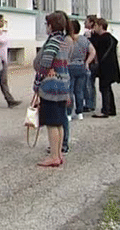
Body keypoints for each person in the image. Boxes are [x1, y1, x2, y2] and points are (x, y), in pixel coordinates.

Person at [33, 11, 72, 167]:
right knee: (59, 122)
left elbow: (45, 63)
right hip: (63, 85)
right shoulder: (64, 40)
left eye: (46, 24)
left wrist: (37, 83)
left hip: (51, 86)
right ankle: (59, 154)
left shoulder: (54, 41)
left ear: (51, 25)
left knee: (51, 123)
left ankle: (54, 156)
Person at [91, 18, 120, 118]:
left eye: (95, 26)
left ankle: (106, 110)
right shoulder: (111, 38)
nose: (94, 28)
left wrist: (91, 36)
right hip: (111, 66)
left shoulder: (102, 39)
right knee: (108, 88)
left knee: (104, 88)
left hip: (105, 67)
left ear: (100, 26)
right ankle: (111, 109)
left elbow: (95, 45)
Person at [68, 19, 96, 121]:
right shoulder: (84, 40)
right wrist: (87, 62)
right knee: (79, 91)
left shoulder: (67, 40)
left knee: (69, 91)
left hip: (69, 66)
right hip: (81, 66)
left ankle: (68, 113)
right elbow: (92, 51)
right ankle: (79, 112)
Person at [83, 14, 98, 113]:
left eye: (86, 21)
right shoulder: (95, 34)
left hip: (90, 61)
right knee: (90, 83)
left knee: (88, 83)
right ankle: (90, 103)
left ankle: (89, 104)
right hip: (93, 61)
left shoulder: (89, 34)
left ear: (91, 23)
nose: (84, 23)